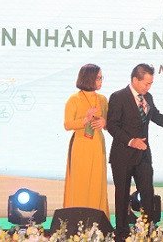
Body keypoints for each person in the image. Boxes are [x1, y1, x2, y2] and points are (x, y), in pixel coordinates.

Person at [107, 63, 163, 241]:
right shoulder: (118, 97)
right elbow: (112, 125)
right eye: (146, 83)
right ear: (135, 80)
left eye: (150, 83)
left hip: (143, 156)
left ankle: (148, 231)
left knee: (148, 193)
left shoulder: (147, 97)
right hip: (123, 155)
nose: (148, 87)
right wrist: (131, 141)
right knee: (122, 195)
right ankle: (122, 233)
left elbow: (156, 116)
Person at [63, 63, 109, 219]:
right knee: (80, 183)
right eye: (98, 78)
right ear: (89, 78)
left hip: (97, 145)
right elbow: (67, 124)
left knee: (97, 183)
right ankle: (77, 221)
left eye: (101, 78)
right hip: (80, 145)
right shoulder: (74, 99)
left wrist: (104, 122)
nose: (101, 81)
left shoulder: (102, 99)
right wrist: (85, 119)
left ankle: (98, 221)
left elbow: (109, 124)